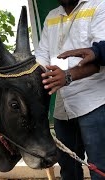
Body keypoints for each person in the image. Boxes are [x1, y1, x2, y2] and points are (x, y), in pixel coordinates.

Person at [35, 0, 105, 179]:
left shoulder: (98, 6)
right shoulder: (51, 16)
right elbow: (42, 56)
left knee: (100, 168)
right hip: (62, 107)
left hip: (94, 104)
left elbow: (100, 59)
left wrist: (67, 76)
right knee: (68, 169)